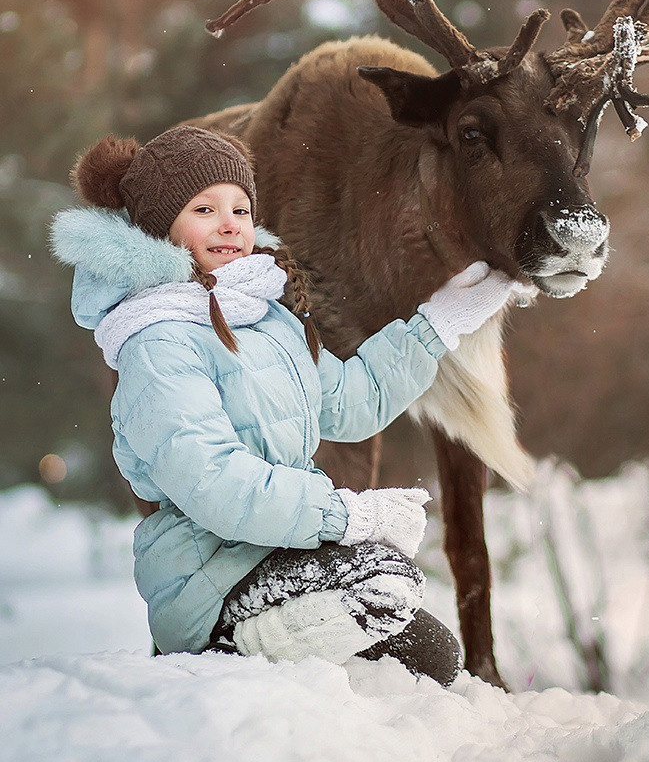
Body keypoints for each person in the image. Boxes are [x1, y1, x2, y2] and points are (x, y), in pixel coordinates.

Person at [51, 125, 513, 686]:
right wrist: (346, 516)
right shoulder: (158, 340)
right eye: (204, 208)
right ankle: (229, 656)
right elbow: (214, 481)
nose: (229, 224)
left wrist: (440, 323)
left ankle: (290, 657)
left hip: (280, 551)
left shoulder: (266, 315)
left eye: (241, 209)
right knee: (383, 590)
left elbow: (347, 402)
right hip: (209, 579)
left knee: (423, 635)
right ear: (159, 227)